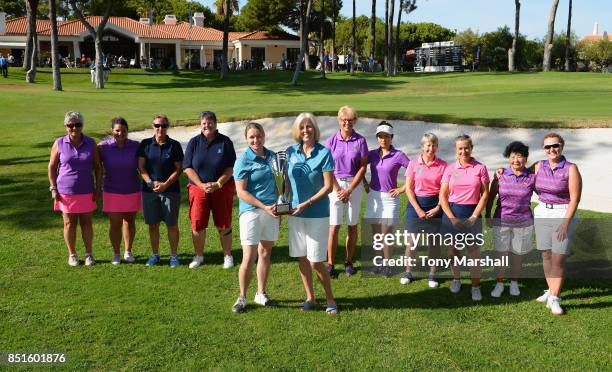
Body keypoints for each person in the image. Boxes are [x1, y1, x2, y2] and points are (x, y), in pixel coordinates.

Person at [287, 113, 338, 314]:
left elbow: (328, 187)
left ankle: (330, 298)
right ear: (297, 130)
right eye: (302, 127)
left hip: (317, 214)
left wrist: (306, 203)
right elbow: (286, 182)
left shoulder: (324, 153)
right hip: (295, 214)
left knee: (316, 260)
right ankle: (310, 297)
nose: (305, 130)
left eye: (309, 127)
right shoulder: (290, 152)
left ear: (315, 129)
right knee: (301, 257)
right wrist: (283, 202)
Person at [231, 122, 279, 313]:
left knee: (265, 253)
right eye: (251, 137)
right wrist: (264, 207)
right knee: (249, 256)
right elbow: (241, 192)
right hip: (251, 211)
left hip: (272, 211)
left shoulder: (272, 157)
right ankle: (242, 297)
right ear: (246, 139)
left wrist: (279, 203)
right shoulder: (243, 161)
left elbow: (279, 183)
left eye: (258, 136)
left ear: (264, 136)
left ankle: (261, 293)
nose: (255, 140)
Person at [532, 133, 581, 315]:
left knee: (558, 257)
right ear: (544, 149)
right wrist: (500, 172)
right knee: (546, 255)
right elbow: (520, 173)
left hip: (563, 213)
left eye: (555, 145)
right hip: (542, 211)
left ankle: (554, 298)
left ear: (561, 146)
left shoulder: (571, 168)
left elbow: (575, 199)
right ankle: (550, 289)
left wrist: (565, 223)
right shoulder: (539, 166)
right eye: (547, 147)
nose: (551, 149)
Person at [183, 111, 236, 269]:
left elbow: (230, 167)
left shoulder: (225, 142)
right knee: (198, 223)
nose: (207, 125)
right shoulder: (194, 142)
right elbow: (187, 167)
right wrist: (201, 185)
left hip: (222, 187)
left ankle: (227, 256)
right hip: (198, 188)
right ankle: (199, 256)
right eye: (204, 123)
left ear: (215, 123)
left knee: (224, 223)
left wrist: (218, 184)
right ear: (200, 125)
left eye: (210, 122)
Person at [439, 134, 490, 301]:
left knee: (474, 252)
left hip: (472, 213)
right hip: (452, 213)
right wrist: (452, 218)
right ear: (456, 150)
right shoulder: (450, 169)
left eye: (466, 147)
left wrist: (475, 216)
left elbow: (485, 195)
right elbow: (443, 196)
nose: (463, 151)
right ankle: (456, 279)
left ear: (471, 148)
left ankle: (475, 286)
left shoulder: (480, 168)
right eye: (460, 148)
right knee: (453, 250)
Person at [48, 111, 101, 266]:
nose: (74, 128)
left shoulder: (91, 143)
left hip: (86, 190)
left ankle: (89, 254)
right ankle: (72, 254)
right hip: (65, 191)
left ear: (82, 126)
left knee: (86, 223)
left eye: (78, 124)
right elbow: (51, 167)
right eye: (71, 125)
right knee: (69, 224)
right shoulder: (59, 143)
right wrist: (53, 188)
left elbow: (98, 167)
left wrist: (98, 188)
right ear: (65, 126)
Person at [485, 141, 535, 298]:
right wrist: (488, 215)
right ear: (508, 158)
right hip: (502, 220)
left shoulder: (532, 177)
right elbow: (491, 197)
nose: (516, 160)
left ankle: (514, 283)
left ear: (526, 159)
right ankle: (499, 283)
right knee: (501, 254)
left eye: (520, 156)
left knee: (517, 255)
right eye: (512, 156)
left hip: (523, 221)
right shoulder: (500, 176)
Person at [325, 106, 368, 277]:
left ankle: (349, 261)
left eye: (350, 120)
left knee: (352, 225)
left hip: (354, 186)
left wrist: (349, 189)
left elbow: (363, 166)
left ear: (354, 121)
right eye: (344, 119)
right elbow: (327, 167)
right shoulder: (331, 141)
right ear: (339, 120)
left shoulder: (360, 141)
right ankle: (330, 263)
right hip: (335, 185)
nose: (347, 122)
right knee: (334, 226)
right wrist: (337, 189)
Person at [363, 121, 409, 277]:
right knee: (376, 234)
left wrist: (402, 189)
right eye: (380, 136)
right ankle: (378, 263)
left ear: (392, 137)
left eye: (386, 136)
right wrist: (364, 182)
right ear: (377, 138)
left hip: (390, 198)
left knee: (386, 234)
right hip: (374, 197)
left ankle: (388, 265)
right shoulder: (372, 154)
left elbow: (413, 172)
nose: (383, 139)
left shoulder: (399, 155)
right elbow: (358, 167)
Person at [138, 115, 184, 267]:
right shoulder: (145, 144)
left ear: (167, 127)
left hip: (170, 191)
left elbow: (179, 169)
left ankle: (173, 256)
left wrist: (165, 184)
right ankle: (155, 254)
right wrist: (150, 182)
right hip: (149, 191)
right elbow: (141, 167)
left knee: (172, 224)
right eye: (157, 125)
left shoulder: (174, 145)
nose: (160, 129)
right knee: (153, 224)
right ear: (153, 126)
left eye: (163, 126)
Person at [402, 133, 447, 287]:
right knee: (412, 242)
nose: (431, 148)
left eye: (434, 145)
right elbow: (408, 188)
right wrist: (417, 209)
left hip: (435, 205)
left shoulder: (443, 165)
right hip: (416, 205)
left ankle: (432, 274)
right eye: (428, 145)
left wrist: (438, 207)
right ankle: (408, 272)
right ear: (422, 147)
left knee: (434, 243)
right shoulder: (413, 164)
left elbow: (444, 190)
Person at [98, 117, 141, 265]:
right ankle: (116, 253)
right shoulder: (103, 147)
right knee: (115, 223)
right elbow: (94, 166)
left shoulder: (136, 146)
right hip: (112, 190)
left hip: (132, 189)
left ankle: (128, 251)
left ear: (127, 131)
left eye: (123, 131)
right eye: (117, 130)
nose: (120, 133)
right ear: (112, 131)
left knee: (129, 221)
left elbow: (143, 167)